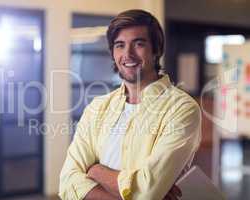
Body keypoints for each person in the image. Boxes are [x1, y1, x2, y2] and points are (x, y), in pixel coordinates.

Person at [59, 9, 201, 200]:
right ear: (112, 53)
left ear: (156, 50)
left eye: (139, 44)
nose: (128, 54)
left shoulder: (182, 109)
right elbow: (68, 182)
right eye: (120, 45)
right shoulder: (97, 108)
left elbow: (145, 192)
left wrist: (95, 170)